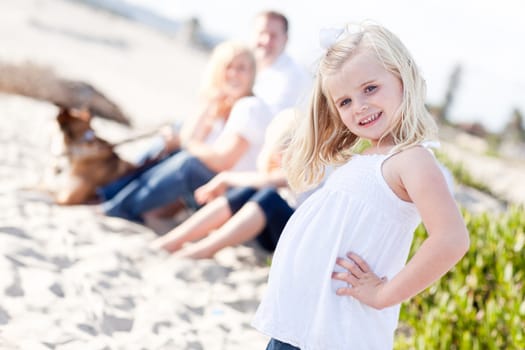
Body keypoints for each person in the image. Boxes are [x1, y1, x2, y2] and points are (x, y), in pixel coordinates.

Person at [252, 22, 470, 349]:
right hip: (304, 321)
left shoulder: (412, 159)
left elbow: (452, 239)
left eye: (370, 89)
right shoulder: (367, 156)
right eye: (345, 102)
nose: (360, 107)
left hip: (338, 329)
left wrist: (384, 294)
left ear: (402, 77)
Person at [100, 40, 273, 223]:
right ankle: (106, 193)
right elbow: (188, 137)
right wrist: (210, 103)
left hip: (232, 194)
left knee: (189, 164)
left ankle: (118, 208)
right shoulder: (223, 105)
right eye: (227, 67)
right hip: (207, 187)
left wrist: (184, 143)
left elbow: (222, 161)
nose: (233, 74)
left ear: (252, 73)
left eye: (241, 68)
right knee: (169, 140)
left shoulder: (251, 108)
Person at [150, 108, 307, 259]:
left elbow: (270, 181)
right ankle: (172, 241)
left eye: (290, 147)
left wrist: (225, 178)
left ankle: (204, 249)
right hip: (275, 233)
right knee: (247, 192)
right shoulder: (282, 166)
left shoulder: (311, 169)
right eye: (282, 148)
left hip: (298, 242)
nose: (282, 155)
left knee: (269, 198)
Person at [250, 11, 310, 116]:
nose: (266, 40)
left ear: (285, 39)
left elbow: (273, 120)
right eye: (262, 33)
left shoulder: (294, 76)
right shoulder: (243, 67)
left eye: (273, 36)